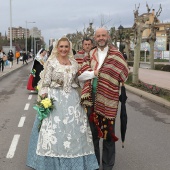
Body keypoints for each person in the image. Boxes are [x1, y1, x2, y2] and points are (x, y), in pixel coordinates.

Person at [26, 37, 99, 170]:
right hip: (55, 99)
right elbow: (45, 83)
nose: (64, 49)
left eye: (66, 47)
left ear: (69, 48)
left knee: (74, 132)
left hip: (72, 100)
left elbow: (78, 79)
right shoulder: (51, 63)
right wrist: (44, 99)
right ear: (57, 48)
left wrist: (92, 74)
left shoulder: (74, 63)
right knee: (54, 132)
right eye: (61, 47)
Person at [78, 27, 129, 170]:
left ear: (108, 37)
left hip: (109, 98)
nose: (101, 38)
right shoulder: (90, 54)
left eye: (103, 35)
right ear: (95, 38)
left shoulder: (117, 55)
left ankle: (107, 166)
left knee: (108, 135)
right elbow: (80, 74)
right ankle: (94, 165)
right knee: (92, 134)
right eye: (98, 35)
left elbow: (124, 73)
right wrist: (94, 73)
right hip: (91, 98)